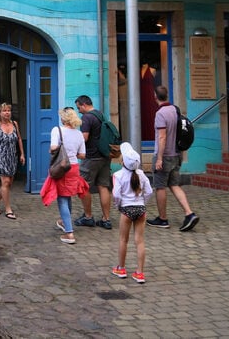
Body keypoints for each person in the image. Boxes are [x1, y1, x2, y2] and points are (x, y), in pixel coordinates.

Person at [147, 85, 200, 231]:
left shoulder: (161, 114)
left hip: (165, 157)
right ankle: (189, 213)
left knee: (160, 187)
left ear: (155, 96)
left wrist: (159, 158)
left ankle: (163, 219)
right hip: (177, 155)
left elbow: (162, 137)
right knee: (175, 185)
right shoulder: (175, 110)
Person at [39, 107, 89, 244]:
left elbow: (54, 148)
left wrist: (54, 149)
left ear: (63, 118)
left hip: (61, 167)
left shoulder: (57, 130)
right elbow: (83, 155)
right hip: (73, 167)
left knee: (62, 199)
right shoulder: (79, 134)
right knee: (67, 197)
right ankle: (63, 222)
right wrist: (72, 153)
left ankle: (69, 233)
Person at [111, 141, 153, 284]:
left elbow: (116, 195)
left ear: (122, 161)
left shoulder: (118, 175)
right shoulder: (141, 174)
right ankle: (140, 273)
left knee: (123, 240)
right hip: (140, 209)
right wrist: (143, 203)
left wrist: (119, 206)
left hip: (126, 210)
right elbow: (149, 191)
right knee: (139, 241)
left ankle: (121, 268)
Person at [72, 95, 113, 229]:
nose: (79, 111)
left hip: (91, 157)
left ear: (84, 105)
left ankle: (88, 217)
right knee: (103, 186)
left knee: (84, 187)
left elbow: (84, 137)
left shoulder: (87, 118)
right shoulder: (100, 114)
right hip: (105, 156)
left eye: (79, 108)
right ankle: (106, 219)